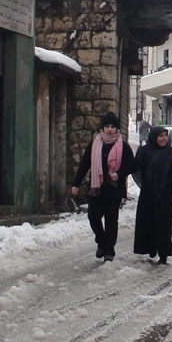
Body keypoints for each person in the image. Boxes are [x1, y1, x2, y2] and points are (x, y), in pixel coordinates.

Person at [70, 112, 135, 262]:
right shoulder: (95, 145)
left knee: (111, 220)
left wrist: (119, 174)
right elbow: (85, 164)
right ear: (103, 128)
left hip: (114, 189)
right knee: (93, 216)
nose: (110, 129)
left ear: (117, 128)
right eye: (107, 126)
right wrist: (76, 184)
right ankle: (101, 241)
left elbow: (133, 165)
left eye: (112, 126)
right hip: (96, 189)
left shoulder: (123, 146)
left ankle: (109, 250)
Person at [132, 125, 172, 264]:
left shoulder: (170, 153)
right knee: (148, 222)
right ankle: (151, 247)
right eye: (160, 136)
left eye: (165, 136)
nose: (164, 139)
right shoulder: (144, 151)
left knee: (163, 225)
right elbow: (136, 169)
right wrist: (143, 183)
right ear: (154, 137)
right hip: (148, 193)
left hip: (165, 194)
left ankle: (163, 254)